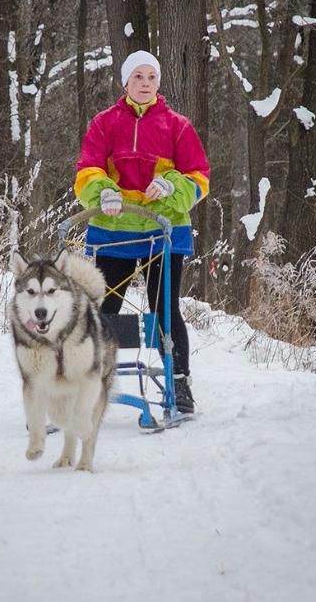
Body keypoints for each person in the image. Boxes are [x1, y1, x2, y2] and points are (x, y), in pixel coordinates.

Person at [74, 50, 210, 413]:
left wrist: (172, 187)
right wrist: (102, 190)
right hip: (113, 233)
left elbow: (199, 178)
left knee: (165, 309)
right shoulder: (104, 123)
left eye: (151, 77)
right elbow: (87, 169)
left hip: (163, 235)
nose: (145, 83)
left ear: (159, 82)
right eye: (138, 77)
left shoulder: (178, 125)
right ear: (125, 82)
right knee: (105, 311)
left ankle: (179, 383)